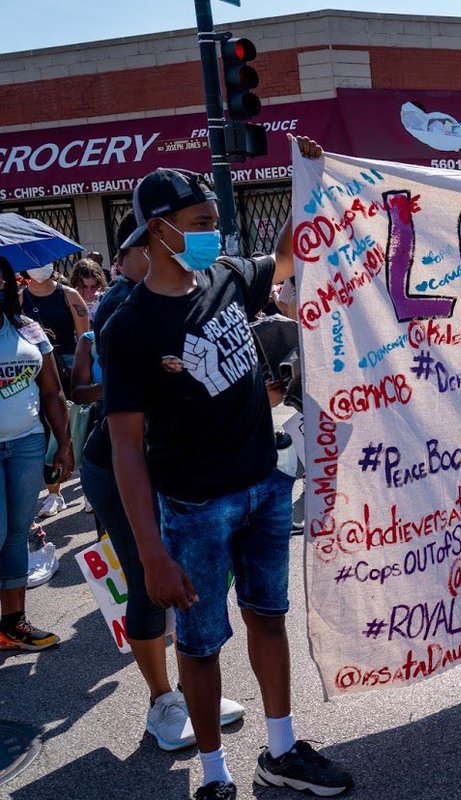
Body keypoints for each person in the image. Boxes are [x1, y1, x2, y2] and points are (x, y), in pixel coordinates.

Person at [102, 139, 352, 799]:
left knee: (268, 617)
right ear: (159, 230)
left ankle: (280, 749)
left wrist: (313, 175)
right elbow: (126, 446)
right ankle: (213, 777)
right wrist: (151, 554)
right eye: (202, 223)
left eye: (216, 221)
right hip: (193, 510)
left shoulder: (230, 277)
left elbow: (295, 250)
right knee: (202, 643)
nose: (216, 234)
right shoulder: (127, 329)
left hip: (264, 489)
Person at [75, 211, 247, 752]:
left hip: (176, 462)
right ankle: (161, 701)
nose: (121, 262)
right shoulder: (119, 312)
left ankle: (190, 687)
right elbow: (130, 430)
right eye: (126, 251)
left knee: (191, 581)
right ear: (149, 242)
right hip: (121, 466)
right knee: (152, 580)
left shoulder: (199, 292)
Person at [0, 256, 73, 650]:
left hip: (27, 443)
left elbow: (51, 390)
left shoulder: (26, 327)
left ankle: (12, 624)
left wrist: (64, 443)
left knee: (16, 534)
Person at [20, 262, 89, 518]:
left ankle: (88, 490)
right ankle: (54, 493)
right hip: (39, 372)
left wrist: (85, 371)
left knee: (80, 427)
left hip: (70, 367)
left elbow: (85, 335)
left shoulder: (69, 295)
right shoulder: (20, 299)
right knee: (47, 429)